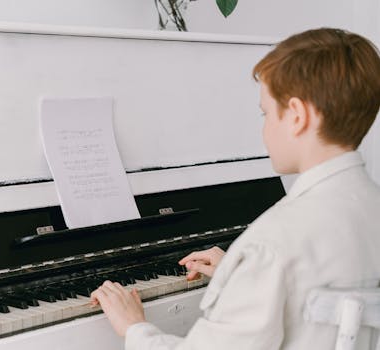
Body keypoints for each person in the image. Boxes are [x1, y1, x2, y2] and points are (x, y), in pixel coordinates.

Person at [90, 27, 380, 349]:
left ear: (296, 116)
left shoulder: (272, 242)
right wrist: (241, 275)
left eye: (266, 113)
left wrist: (134, 328)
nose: (264, 130)